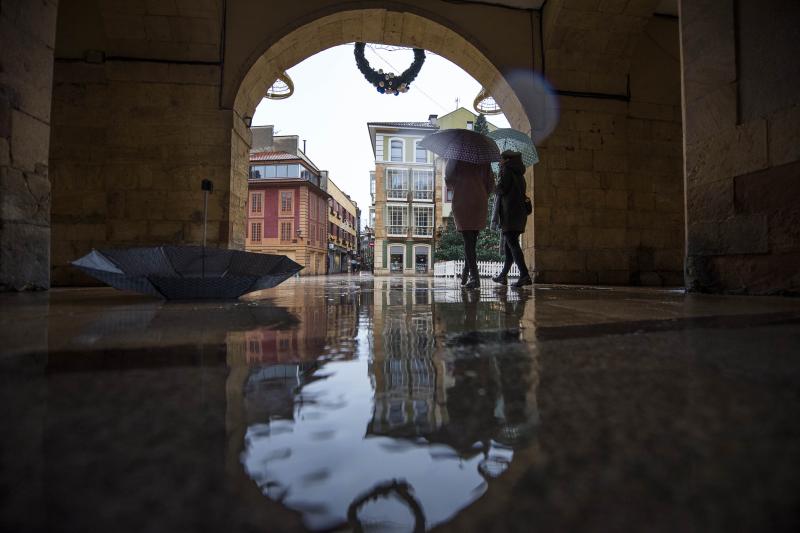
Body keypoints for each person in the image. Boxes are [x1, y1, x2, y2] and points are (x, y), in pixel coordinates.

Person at [445, 158, 494, 289]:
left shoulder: (455, 157)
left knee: (468, 239)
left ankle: (474, 278)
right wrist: (481, 193)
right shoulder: (483, 158)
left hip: (462, 198)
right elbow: (491, 184)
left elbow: (449, 180)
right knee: (472, 240)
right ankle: (466, 275)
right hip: (480, 200)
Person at [492, 150, 532, 287]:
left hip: (510, 213)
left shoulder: (506, 170)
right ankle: (503, 275)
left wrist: (494, 185)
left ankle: (524, 275)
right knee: (509, 244)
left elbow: (502, 189)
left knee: (512, 243)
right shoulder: (519, 173)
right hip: (518, 212)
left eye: (501, 159)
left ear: (507, 160)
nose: (499, 161)